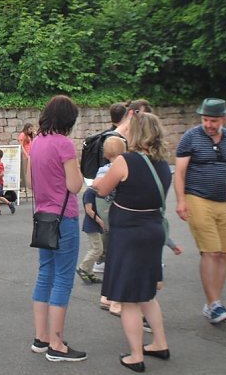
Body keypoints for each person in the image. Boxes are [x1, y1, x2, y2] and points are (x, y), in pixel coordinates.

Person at [92, 112, 172, 372]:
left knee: (128, 299)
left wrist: (95, 183)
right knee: (147, 293)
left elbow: (102, 190)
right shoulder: (162, 164)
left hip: (129, 234)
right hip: (153, 230)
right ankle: (159, 342)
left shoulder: (125, 161)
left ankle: (136, 355)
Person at [174, 97, 226, 324]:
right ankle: (215, 304)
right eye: (205, 119)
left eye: (213, 120)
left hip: (225, 200)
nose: (209, 124)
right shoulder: (190, 137)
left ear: (224, 119)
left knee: (224, 252)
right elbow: (179, 172)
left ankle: (213, 303)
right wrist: (181, 200)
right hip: (197, 198)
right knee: (210, 251)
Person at [30, 95, 87, 362]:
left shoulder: (36, 142)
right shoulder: (64, 145)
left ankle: (41, 338)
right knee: (63, 278)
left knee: (45, 274)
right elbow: (75, 186)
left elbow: (31, 184)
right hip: (64, 218)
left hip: (42, 217)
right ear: (68, 120)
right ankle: (57, 343)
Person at [18, 122, 34, 194]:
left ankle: (30, 185)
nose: (31, 130)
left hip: (30, 155)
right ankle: (24, 187)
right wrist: (26, 155)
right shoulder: (23, 135)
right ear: (27, 128)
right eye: (30, 129)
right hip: (25, 156)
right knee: (25, 171)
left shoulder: (29, 136)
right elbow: (21, 146)